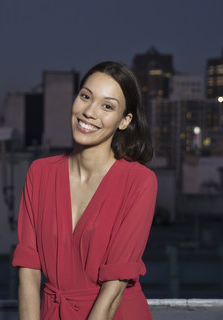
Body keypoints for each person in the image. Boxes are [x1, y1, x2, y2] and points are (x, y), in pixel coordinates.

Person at [12, 61, 157, 319]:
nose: (89, 111)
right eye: (86, 96)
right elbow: (29, 269)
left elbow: (115, 288)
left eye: (107, 106)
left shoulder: (140, 181)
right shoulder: (39, 173)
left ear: (124, 121)